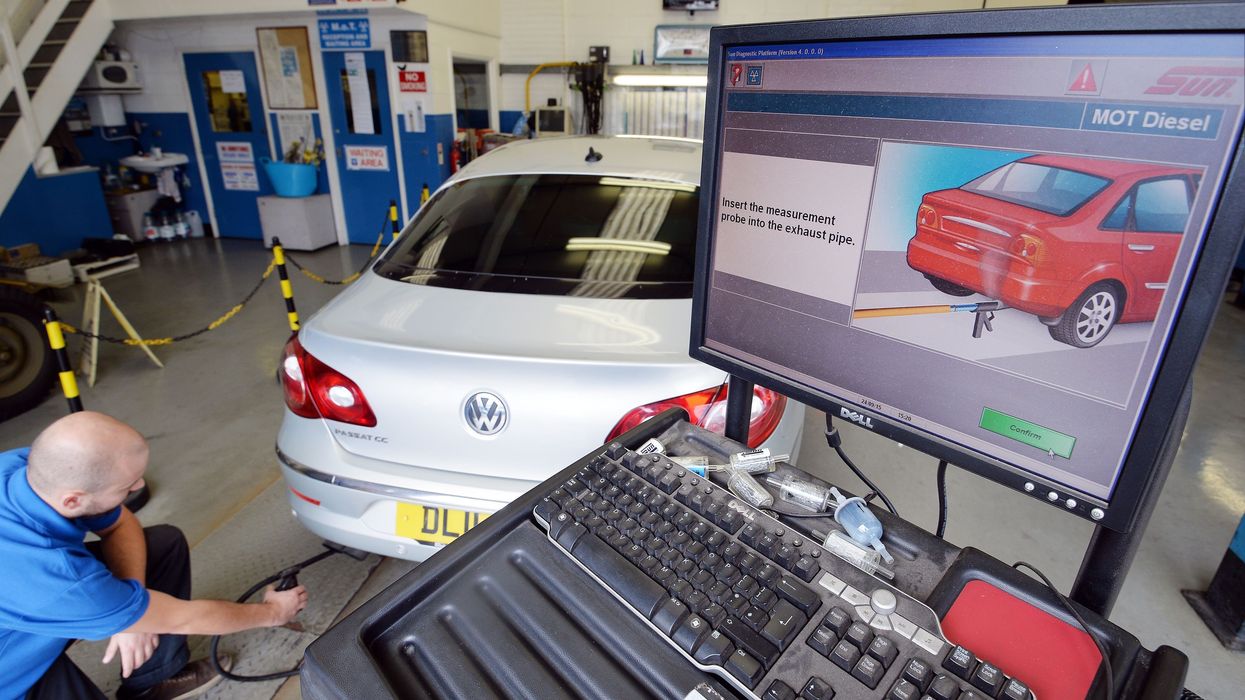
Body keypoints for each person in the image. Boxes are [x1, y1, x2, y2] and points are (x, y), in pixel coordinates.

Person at [0, 412, 309, 700]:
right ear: (73, 499)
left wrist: (133, 609)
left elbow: (120, 522)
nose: (140, 486)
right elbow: (187, 618)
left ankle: (152, 680)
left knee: (162, 544)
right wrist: (272, 613)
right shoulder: (63, 580)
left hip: (26, 608)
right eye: (127, 486)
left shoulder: (23, 468)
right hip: (12, 675)